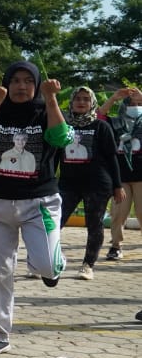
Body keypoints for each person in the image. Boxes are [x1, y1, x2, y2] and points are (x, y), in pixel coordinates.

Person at [0, 61, 72, 355]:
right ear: (5, 84)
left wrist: (51, 99)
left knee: (47, 266)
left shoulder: (45, 110)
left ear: (37, 85)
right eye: (15, 81)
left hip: (39, 203)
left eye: (28, 81)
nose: (21, 86)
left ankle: (53, 267)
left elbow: (61, 138)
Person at [57, 87, 123, 282]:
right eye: (77, 98)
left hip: (97, 184)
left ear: (92, 103)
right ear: (71, 101)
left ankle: (88, 265)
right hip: (68, 184)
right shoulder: (63, 125)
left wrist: (118, 186)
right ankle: (48, 261)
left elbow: (112, 157)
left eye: (86, 99)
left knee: (94, 226)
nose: (81, 102)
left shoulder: (101, 126)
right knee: (53, 223)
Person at [99, 86, 142, 261]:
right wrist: (114, 98)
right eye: (131, 103)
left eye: (138, 103)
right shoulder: (115, 123)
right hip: (121, 177)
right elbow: (99, 116)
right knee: (118, 214)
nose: (135, 106)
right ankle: (116, 246)